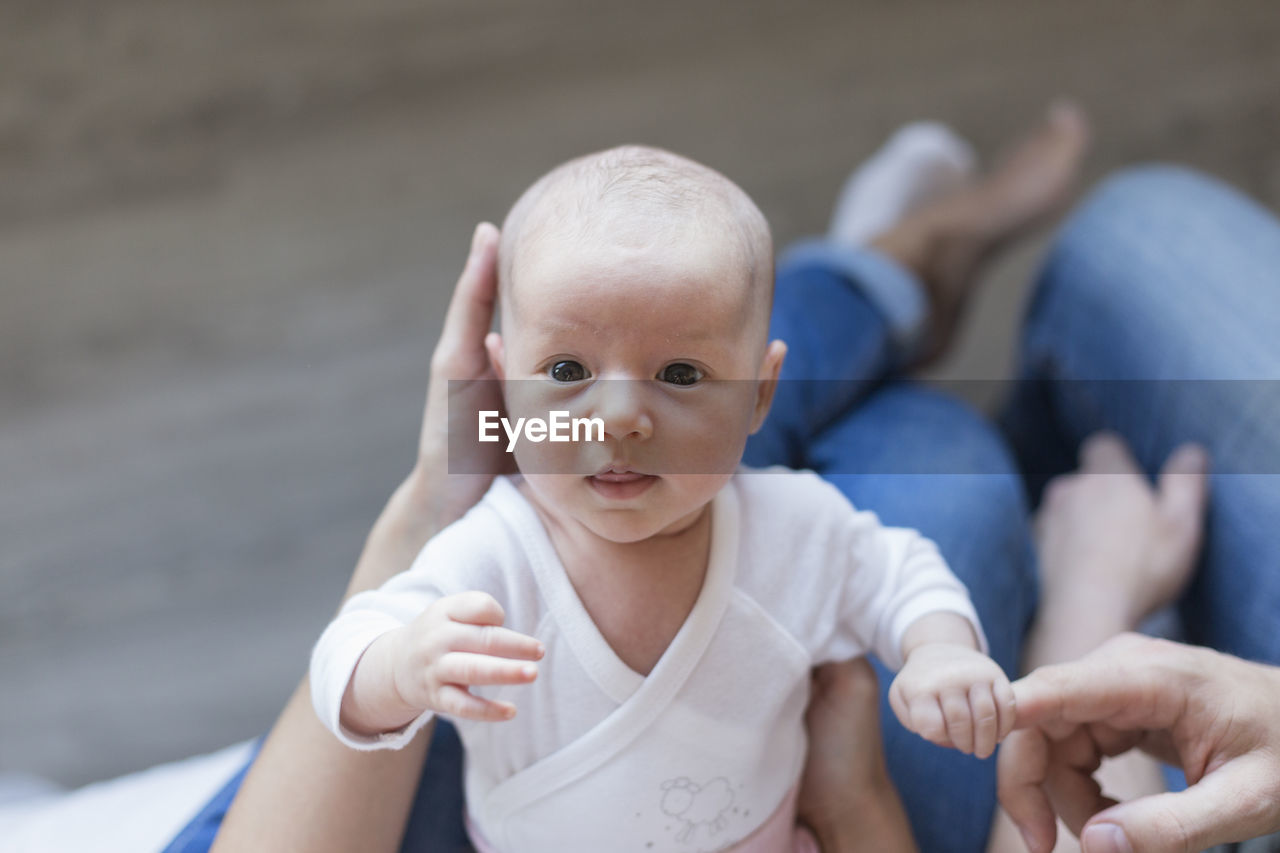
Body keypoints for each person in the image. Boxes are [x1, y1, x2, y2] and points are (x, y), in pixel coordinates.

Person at [185, 106, 1090, 853]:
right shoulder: (499, 550)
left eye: (680, 375)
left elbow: (898, 571)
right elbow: (359, 644)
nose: (618, 420)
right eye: (569, 372)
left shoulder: (787, 530)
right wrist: (401, 665)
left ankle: (884, 278)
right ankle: (890, 276)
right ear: (501, 384)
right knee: (948, 462)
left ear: (757, 392)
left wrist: (937, 644)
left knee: (929, 463)